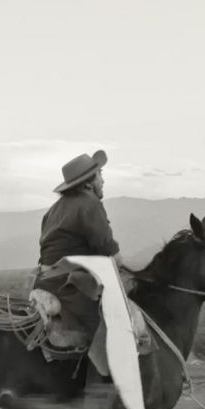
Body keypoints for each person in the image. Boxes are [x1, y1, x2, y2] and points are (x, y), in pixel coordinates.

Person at [31, 149, 126, 352]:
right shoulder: (90, 205)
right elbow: (113, 258)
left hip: (44, 282)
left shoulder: (54, 210)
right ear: (88, 184)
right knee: (115, 332)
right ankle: (100, 373)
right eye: (100, 175)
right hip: (69, 288)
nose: (103, 181)